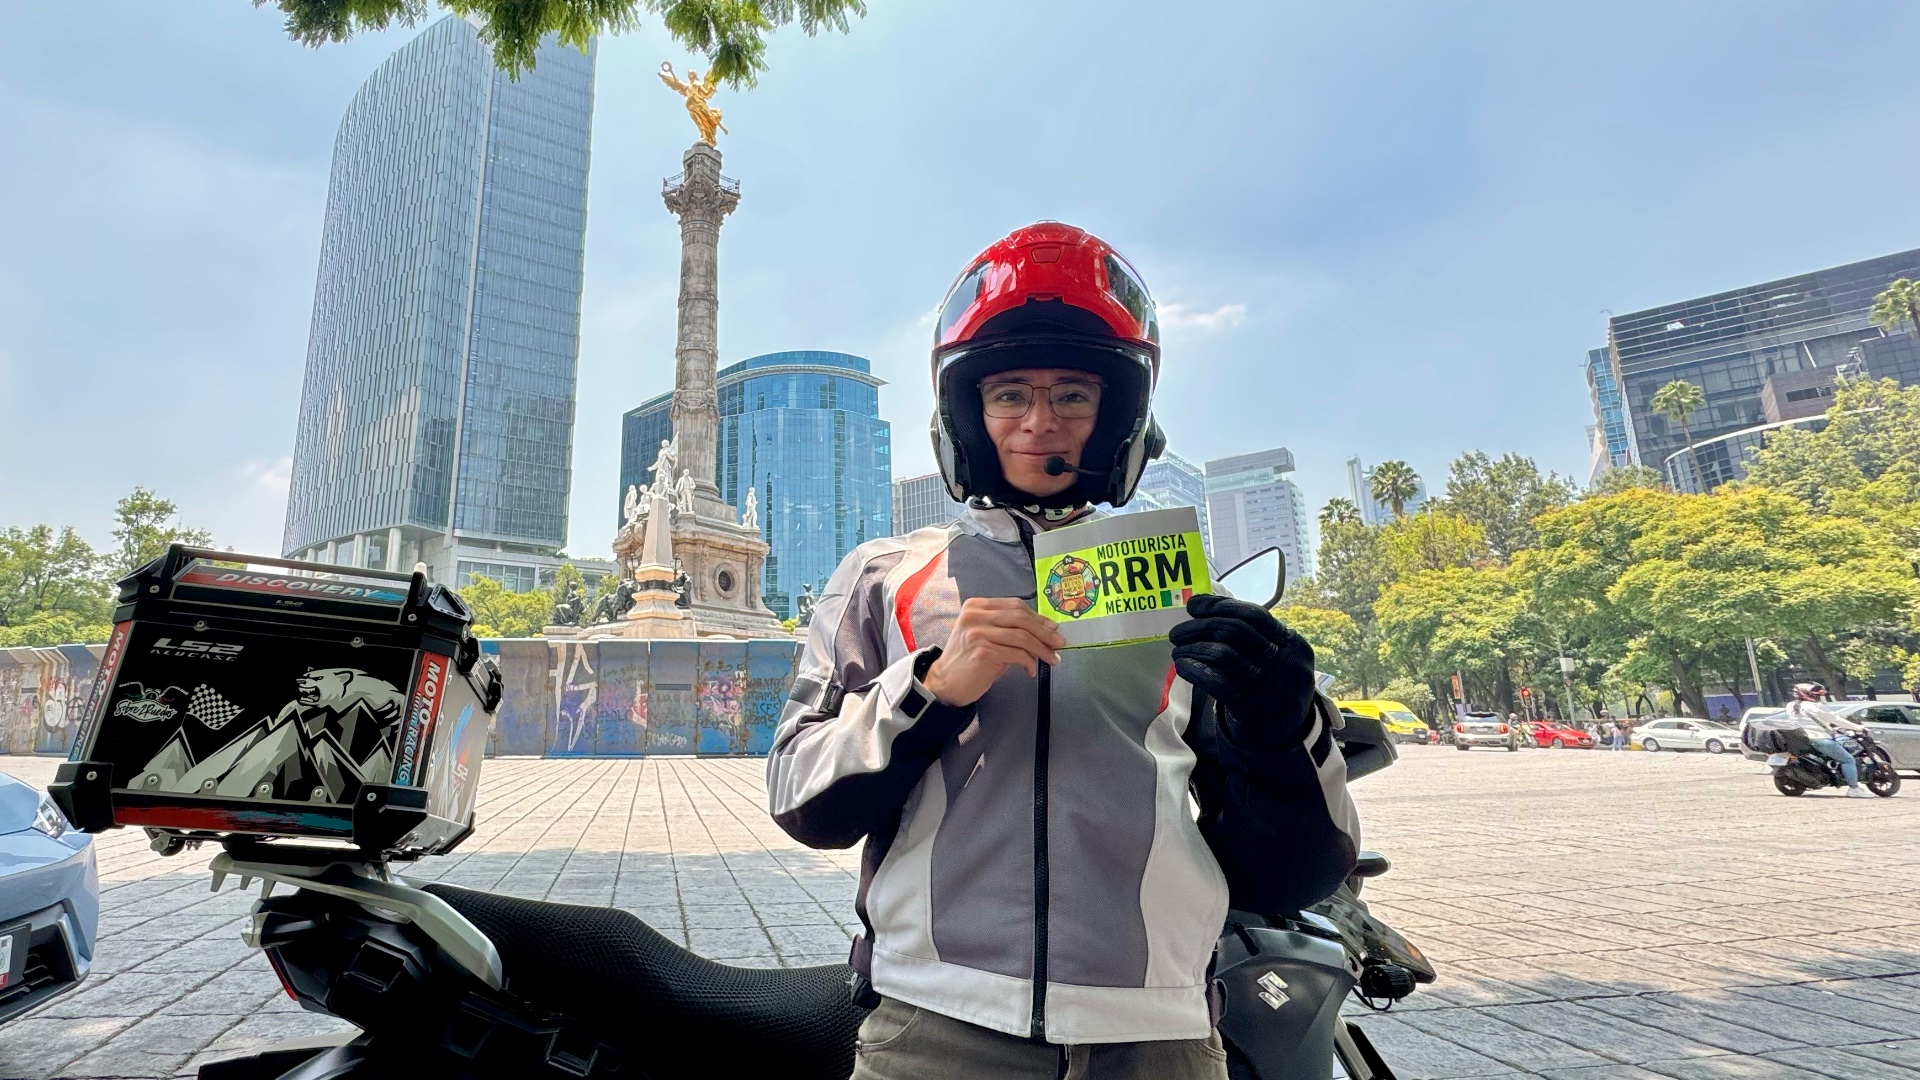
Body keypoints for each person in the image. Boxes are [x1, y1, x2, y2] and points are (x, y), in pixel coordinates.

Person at [765, 224, 1360, 1080]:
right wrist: (929, 688)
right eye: (1008, 393)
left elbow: (1296, 872)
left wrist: (1280, 732)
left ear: (1118, 418)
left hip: (1159, 1032)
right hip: (935, 1026)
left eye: (1074, 396)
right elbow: (798, 795)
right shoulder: (884, 577)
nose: (1039, 422)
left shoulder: (1185, 599)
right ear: (967, 415)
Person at [1785, 682, 1871, 797]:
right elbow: (1836, 719)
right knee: (1848, 760)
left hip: (1802, 739)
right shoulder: (1816, 706)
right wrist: (1858, 727)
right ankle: (1854, 789)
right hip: (1819, 738)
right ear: (1808, 694)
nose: (1818, 697)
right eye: (1816, 695)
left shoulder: (1790, 705)